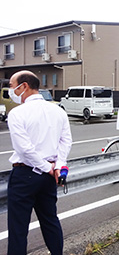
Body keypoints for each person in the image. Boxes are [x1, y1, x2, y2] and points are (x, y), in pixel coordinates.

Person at [7, 70, 72, 255]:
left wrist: (48, 168)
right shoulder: (58, 111)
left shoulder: (17, 113)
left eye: (12, 87)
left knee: (18, 228)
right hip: (49, 177)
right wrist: (57, 167)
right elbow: (65, 141)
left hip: (25, 175)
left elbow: (24, 149)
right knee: (50, 220)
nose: (11, 91)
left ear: (24, 86)